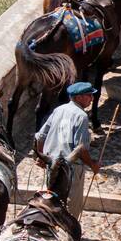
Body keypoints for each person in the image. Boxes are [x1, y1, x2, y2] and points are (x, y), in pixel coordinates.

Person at [34, 83, 102, 219]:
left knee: (50, 201)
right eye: (89, 95)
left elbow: (40, 136)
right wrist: (93, 165)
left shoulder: (58, 110)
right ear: (78, 97)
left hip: (52, 166)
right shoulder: (81, 116)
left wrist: (41, 157)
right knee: (71, 208)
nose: (92, 99)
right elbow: (81, 149)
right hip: (70, 169)